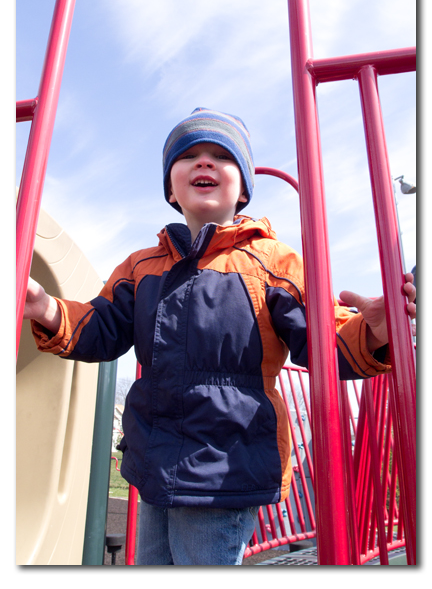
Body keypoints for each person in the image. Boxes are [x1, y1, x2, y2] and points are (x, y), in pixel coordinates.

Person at [24, 108, 416, 565]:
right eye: (188, 155)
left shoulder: (272, 261)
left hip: (226, 467)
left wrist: (371, 333)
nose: (205, 162)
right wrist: (45, 307)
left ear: (243, 189)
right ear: (171, 188)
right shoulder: (141, 266)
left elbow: (323, 341)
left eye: (222, 156)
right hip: (154, 463)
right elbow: (102, 327)